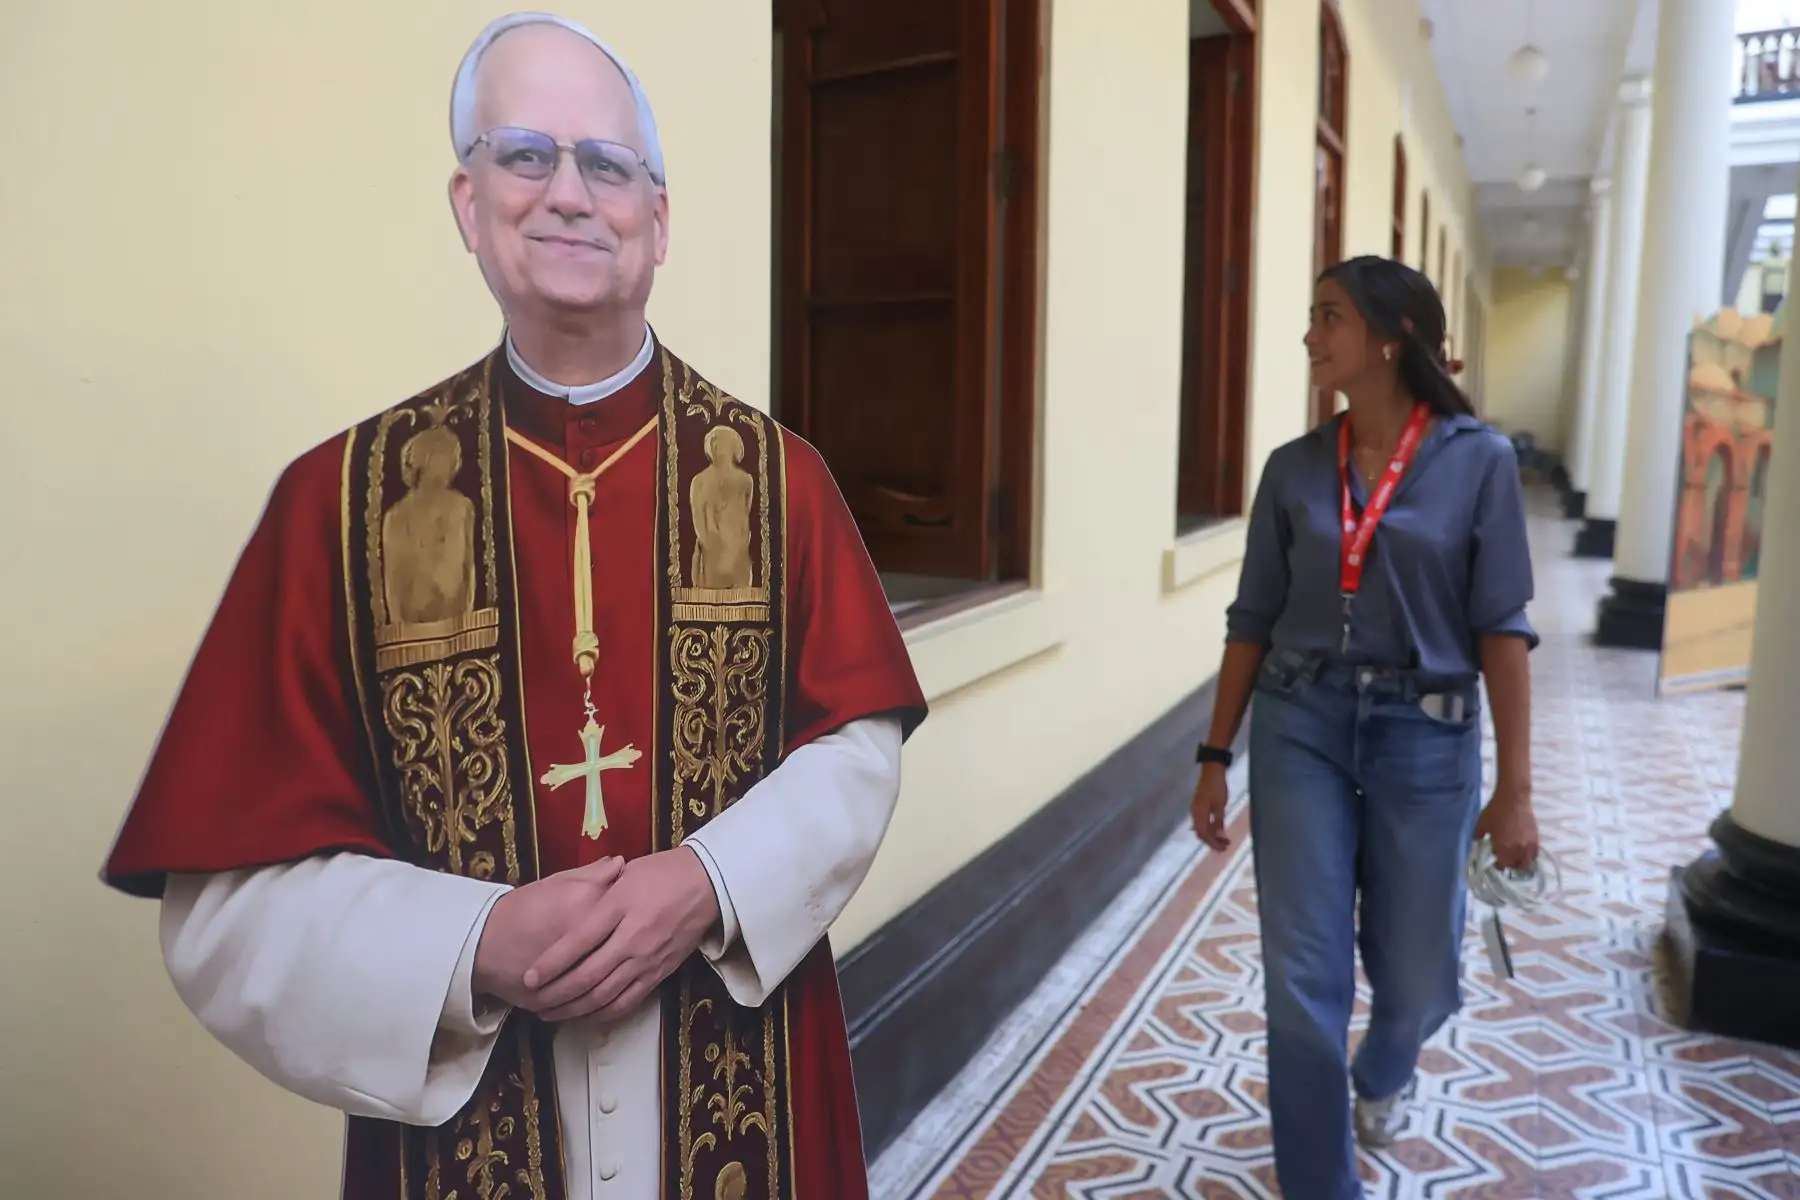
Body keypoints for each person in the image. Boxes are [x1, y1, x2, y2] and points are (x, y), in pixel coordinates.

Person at [100, 13, 927, 1200]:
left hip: (741, 1084)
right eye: (526, 155)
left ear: (659, 219)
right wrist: (471, 943)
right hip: (468, 1131)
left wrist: (708, 882)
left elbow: (858, 750)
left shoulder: (779, 480)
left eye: (609, 165)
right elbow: (227, 905)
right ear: (469, 204)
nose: (570, 194)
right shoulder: (341, 505)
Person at [1187, 256, 1539, 1199]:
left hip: (1426, 730)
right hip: (1300, 719)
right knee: (1303, 973)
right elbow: (1252, 619)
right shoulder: (1294, 468)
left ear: (1391, 337)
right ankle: (1320, 1183)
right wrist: (1215, 755)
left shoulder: (1479, 460)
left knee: (1419, 972)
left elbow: (1503, 627)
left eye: (1330, 316)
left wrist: (1516, 790)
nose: (1311, 335)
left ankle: (1383, 1069)